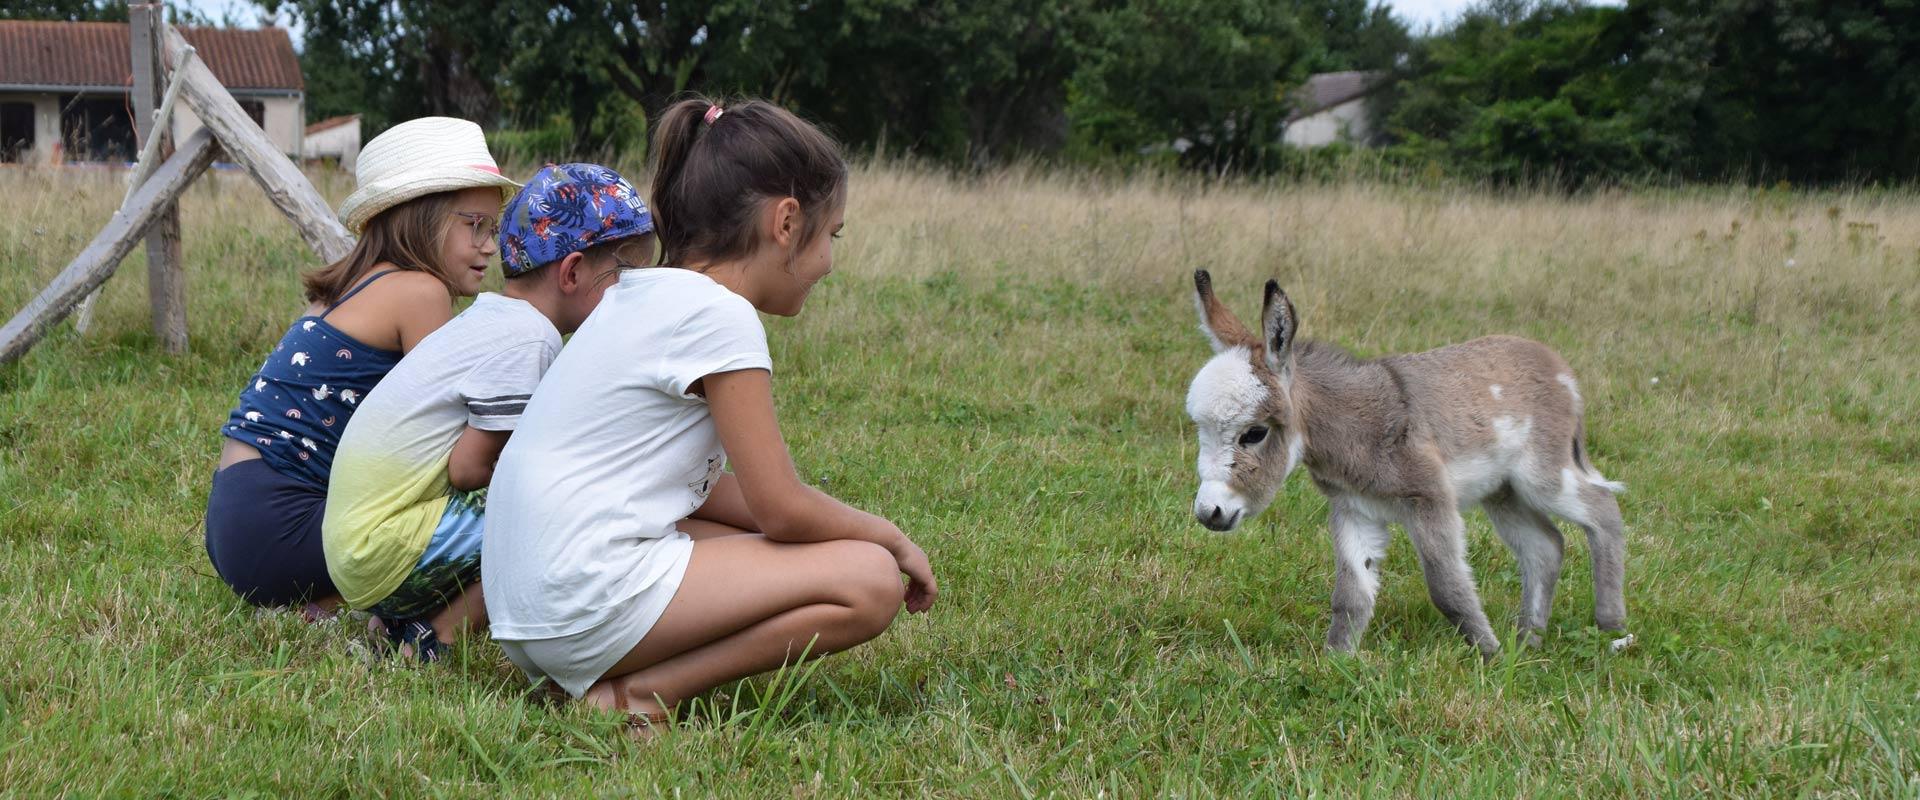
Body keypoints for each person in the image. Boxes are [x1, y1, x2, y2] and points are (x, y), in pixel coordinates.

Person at [483, 97, 936, 734]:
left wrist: (837, 528)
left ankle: (603, 678)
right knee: (870, 579)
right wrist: (886, 534)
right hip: (577, 603)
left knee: (818, 550)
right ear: (786, 222)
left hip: (525, 610)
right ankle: (644, 695)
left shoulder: (637, 296)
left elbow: (713, 497)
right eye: (831, 235)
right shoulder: (720, 316)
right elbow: (779, 506)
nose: (830, 263)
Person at [322, 163, 655, 659]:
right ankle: (436, 637)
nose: (635, 300)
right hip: (382, 547)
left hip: (361, 544)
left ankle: (398, 620)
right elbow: (467, 469)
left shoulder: (493, 320)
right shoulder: (529, 339)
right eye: (626, 281)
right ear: (572, 272)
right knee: (553, 517)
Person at [204, 117, 518, 616]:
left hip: (237, 526)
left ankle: (322, 599)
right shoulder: (421, 292)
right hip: (288, 527)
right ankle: (385, 610)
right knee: (510, 517)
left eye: (494, 228)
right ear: (420, 217)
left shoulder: (351, 286)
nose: (489, 246)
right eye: (473, 225)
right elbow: (454, 441)